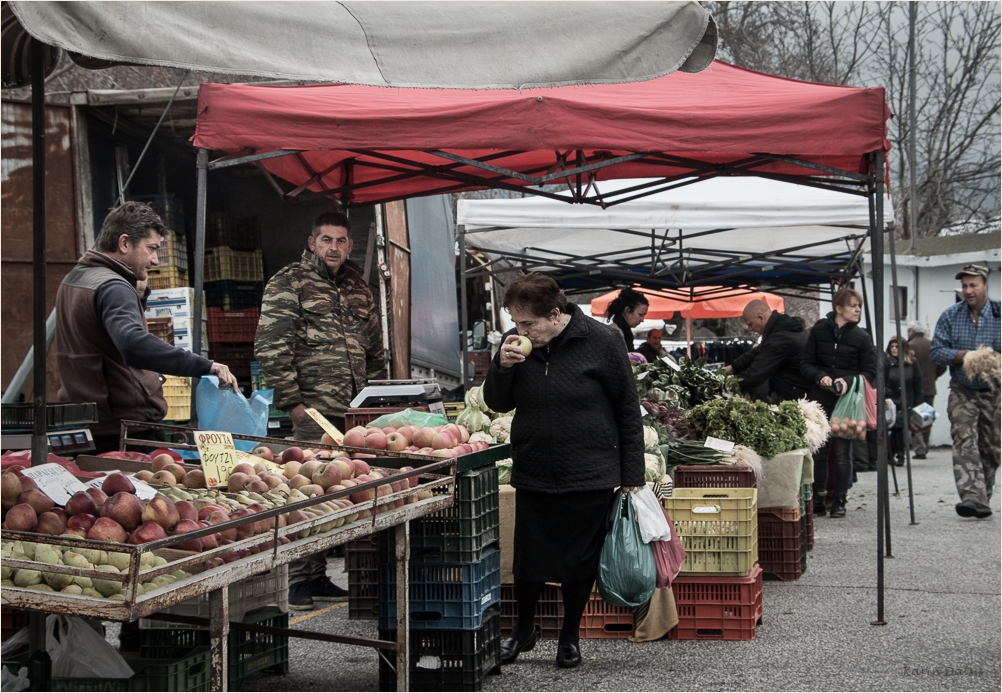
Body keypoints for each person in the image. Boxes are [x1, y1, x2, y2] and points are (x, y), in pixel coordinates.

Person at [483, 273, 645, 670]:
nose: (520, 331)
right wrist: (501, 368)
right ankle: (523, 630)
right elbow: (497, 403)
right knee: (528, 561)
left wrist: (632, 474)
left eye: (528, 324)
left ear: (555, 314)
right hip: (535, 467)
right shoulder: (517, 347)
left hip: (589, 469)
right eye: (515, 323)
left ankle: (569, 637)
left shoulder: (603, 341)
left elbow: (627, 408)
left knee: (579, 561)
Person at [255, 209, 387, 609]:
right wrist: (293, 403)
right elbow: (271, 347)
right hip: (313, 412)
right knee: (307, 493)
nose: (334, 247)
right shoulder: (289, 282)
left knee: (339, 494)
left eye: (341, 240)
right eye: (326, 239)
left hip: (354, 413)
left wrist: (379, 400)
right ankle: (298, 579)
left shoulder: (358, 289)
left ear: (350, 245)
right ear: (312, 243)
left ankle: (318, 576)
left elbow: (374, 349)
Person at [55, 202, 237, 453]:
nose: (154, 259)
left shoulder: (75, 278)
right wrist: (205, 365)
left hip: (87, 420)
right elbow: (133, 344)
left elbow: (99, 336)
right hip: (121, 429)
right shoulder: (113, 287)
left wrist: (137, 294)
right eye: (151, 249)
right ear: (124, 243)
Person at [930, 263, 1001, 519]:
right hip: (963, 390)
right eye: (964, 286)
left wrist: (992, 357)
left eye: (973, 285)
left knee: (992, 448)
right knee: (964, 440)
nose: (968, 291)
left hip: (994, 392)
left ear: (985, 284)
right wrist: (965, 356)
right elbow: (936, 351)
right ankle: (972, 496)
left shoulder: (998, 313)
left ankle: (983, 497)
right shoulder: (950, 316)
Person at [801, 288, 877, 518]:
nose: (857, 310)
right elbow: (805, 364)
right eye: (853, 305)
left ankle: (840, 500)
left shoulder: (862, 337)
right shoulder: (819, 331)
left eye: (859, 306)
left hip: (848, 402)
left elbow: (871, 372)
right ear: (839, 308)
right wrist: (819, 376)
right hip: (821, 400)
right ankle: (820, 499)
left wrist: (848, 380)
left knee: (843, 452)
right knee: (820, 452)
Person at [725, 299, 811, 403]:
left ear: (761, 318)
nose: (749, 329)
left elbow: (756, 374)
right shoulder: (782, 328)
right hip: (799, 391)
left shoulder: (781, 338)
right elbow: (758, 352)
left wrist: (727, 386)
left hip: (799, 398)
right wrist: (733, 367)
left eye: (750, 324)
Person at [907, 321, 946, 459]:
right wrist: (934, 376)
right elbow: (942, 366)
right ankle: (925, 446)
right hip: (930, 388)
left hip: (914, 389)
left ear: (911, 331)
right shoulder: (932, 345)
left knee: (914, 417)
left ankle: (919, 449)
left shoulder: (910, 346)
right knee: (926, 418)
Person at [883, 337, 923, 467]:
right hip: (892, 400)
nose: (894, 349)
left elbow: (917, 384)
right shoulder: (887, 363)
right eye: (892, 346)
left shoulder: (912, 363)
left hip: (907, 400)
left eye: (897, 347)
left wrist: (918, 404)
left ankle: (899, 454)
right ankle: (895, 454)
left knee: (901, 429)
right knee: (895, 428)